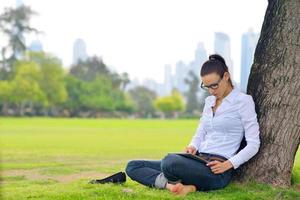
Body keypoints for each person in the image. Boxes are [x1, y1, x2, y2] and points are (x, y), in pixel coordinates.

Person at [125, 54, 261, 196]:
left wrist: (228, 164)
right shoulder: (209, 102)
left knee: (169, 162)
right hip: (197, 160)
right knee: (133, 166)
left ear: (226, 76)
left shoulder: (243, 101)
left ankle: (182, 182)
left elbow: (253, 144)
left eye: (214, 85)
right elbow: (201, 131)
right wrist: (193, 146)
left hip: (217, 170)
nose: (211, 91)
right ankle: (172, 186)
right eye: (206, 87)